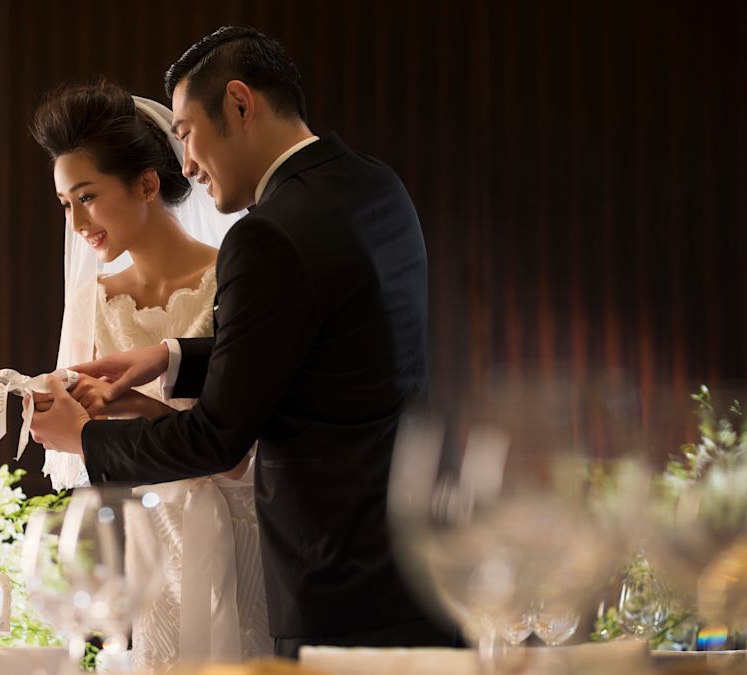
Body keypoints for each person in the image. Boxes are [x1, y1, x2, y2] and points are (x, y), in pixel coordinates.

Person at [29, 27, 453, 658]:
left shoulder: (266, 237)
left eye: (188, 132)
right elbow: (312, 347)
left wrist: (85, 440)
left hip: (330, 576)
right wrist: (169, 358)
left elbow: (219, 438)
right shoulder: (375, 186)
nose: (187, 163)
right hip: (417, 558)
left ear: (239, 103)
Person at [29, 80, 274, 669]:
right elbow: (79, 459)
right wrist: (78, 410)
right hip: (148, 551)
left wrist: (133, 412)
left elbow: (243, 443)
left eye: (87, 196)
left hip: (243, 534)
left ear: (146, 184)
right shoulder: (92, 298)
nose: (77, 222)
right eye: (65, 204)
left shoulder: (232, 279)